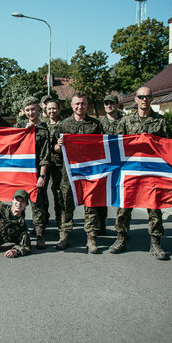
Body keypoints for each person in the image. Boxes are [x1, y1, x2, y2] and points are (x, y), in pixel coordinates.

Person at [112, 86, 172, 259]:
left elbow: (168, 148)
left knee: (154, 208)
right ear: (136, 99)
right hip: (130, 172)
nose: (144, 99)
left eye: (147, 96)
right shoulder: (126, 122)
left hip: (152, 172)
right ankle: (121, 238)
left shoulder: (161, 122)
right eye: (141, 97)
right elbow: (117, 146)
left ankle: (155, 243)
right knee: (124, 207)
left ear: (152, 99)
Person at [53, 92, 104, 253]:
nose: (79, 107)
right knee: (66, 204)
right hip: (69, 174)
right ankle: (65, 235)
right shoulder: (63, 125)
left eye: (82, 104)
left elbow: (103, 147)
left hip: (89, 172)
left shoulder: (95, 125)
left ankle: (91, 238)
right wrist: (59, 145)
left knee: (90, 204)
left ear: (86, 105)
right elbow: (53, 149)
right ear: (72, 105)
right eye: (76, 104)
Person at [15, 97, 50, 249]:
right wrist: (24, 131)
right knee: (20, 204)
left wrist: (42, 176)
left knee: (38, 206)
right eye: (28, 110)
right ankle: (21, 234)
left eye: (33, 109)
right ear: (24, 111)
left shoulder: (43, 129)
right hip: (21, 172)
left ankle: (40, 235)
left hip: (36, 172)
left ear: (38, 109)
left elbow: (45, 155)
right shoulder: (19, 126)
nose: (31, 112)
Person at [97, 94, 124, 236]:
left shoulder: (126, 121)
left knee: (121, 195)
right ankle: (101, 225)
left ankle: (121, 228)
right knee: (102, 195)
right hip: (104, 163)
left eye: (112, 103)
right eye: (106, 103)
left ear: (117, 104)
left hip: (122, 164)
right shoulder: (98, 123)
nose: (109, 106)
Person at [45, 98, 64, 233]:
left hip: (59, 164)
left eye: (54, 108)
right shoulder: (42, 125)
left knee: (58, 194)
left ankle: (61, 222)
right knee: (41, 195)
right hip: (43, 163)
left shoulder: (64, 125)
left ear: (59, 109)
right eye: (49, 108)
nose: (52, 111)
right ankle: (43, 221)